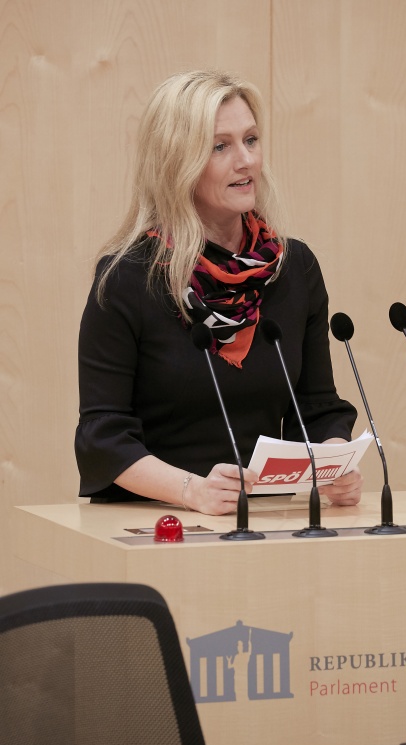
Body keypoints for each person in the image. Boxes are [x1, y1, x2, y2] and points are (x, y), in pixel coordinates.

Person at [75, 69, 362, 515]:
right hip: (155, 520)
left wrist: (331, 463)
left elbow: (315, 408)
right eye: (220, 146)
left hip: (263, 521)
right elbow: (103, 436)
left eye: (251, 140)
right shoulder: (127, 279)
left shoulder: (294, 268)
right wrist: (192, 491)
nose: (245, 161)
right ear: (177, 162)